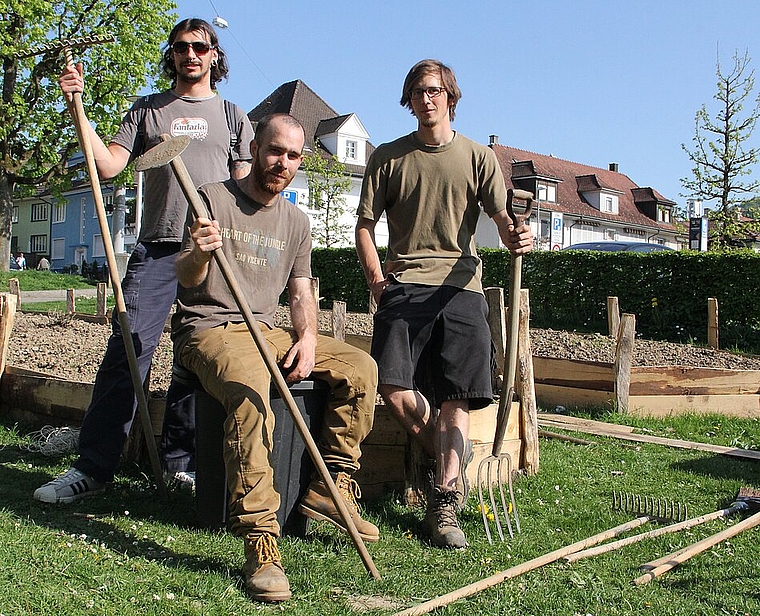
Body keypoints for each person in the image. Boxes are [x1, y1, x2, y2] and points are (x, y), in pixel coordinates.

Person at [33, 18, 254, 504]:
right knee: (128, 353)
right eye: (180, 47)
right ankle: (93, 467)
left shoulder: (235, 116)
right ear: (171, 55)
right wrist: (78, 107)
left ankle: (183, 465)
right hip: (157, 247)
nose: (190, 55)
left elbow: (242, 191)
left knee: (200, 357)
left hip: (210, 251)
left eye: (199, 47)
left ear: (215, 54)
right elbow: (109, 164)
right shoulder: (148, 110)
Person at [173, 113, 378, 603]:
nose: (281, 163)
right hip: (211, 328)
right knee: (250, 389)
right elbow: (184, 276)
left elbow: (301, 289)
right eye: (273, 151)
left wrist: (306, 337)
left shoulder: (296, 221)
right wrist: (200, 252)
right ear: (255, 148)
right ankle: (261, 538)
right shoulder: (211, 199)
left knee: (361, 368)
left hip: (268, 328)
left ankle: (330, 487)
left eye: (291, 156)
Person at [355, 59, 534, 549]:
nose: (426, 99)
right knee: (390, 385)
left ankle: (446, 500)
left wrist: (517, 235)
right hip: (404, 285)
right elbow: (364, 227)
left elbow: (501, 217)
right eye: (417, 91)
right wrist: (377, 282)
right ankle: (449, 451)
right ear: (408, 100)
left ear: (450, 97)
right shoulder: (388, 158)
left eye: (434, 90)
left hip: (461, 288)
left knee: (457, 394)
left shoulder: (478, 157)